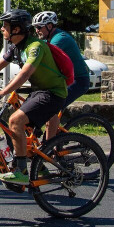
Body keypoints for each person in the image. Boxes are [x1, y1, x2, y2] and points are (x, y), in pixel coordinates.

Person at [0, 9, 67, 185]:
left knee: (15, 121)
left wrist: (2, 92)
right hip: (40, 91)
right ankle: (39, 167)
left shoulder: (35, 47)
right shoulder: (17, 47)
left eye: (6, 25)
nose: (2, 29)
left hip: (53, 93)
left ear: (17, 29)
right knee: (17, 123)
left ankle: (21, 171)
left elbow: (24, 74)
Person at [31, 10, 90, 140]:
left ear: (50, 26)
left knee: (52, 108)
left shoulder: (59, 39)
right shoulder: (51, 38)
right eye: (35, 27)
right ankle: (54, 140)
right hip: (67, 80)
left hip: (79, 80)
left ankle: (49, 148)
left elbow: (44, 59)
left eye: (39, 27)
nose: (36, 30)